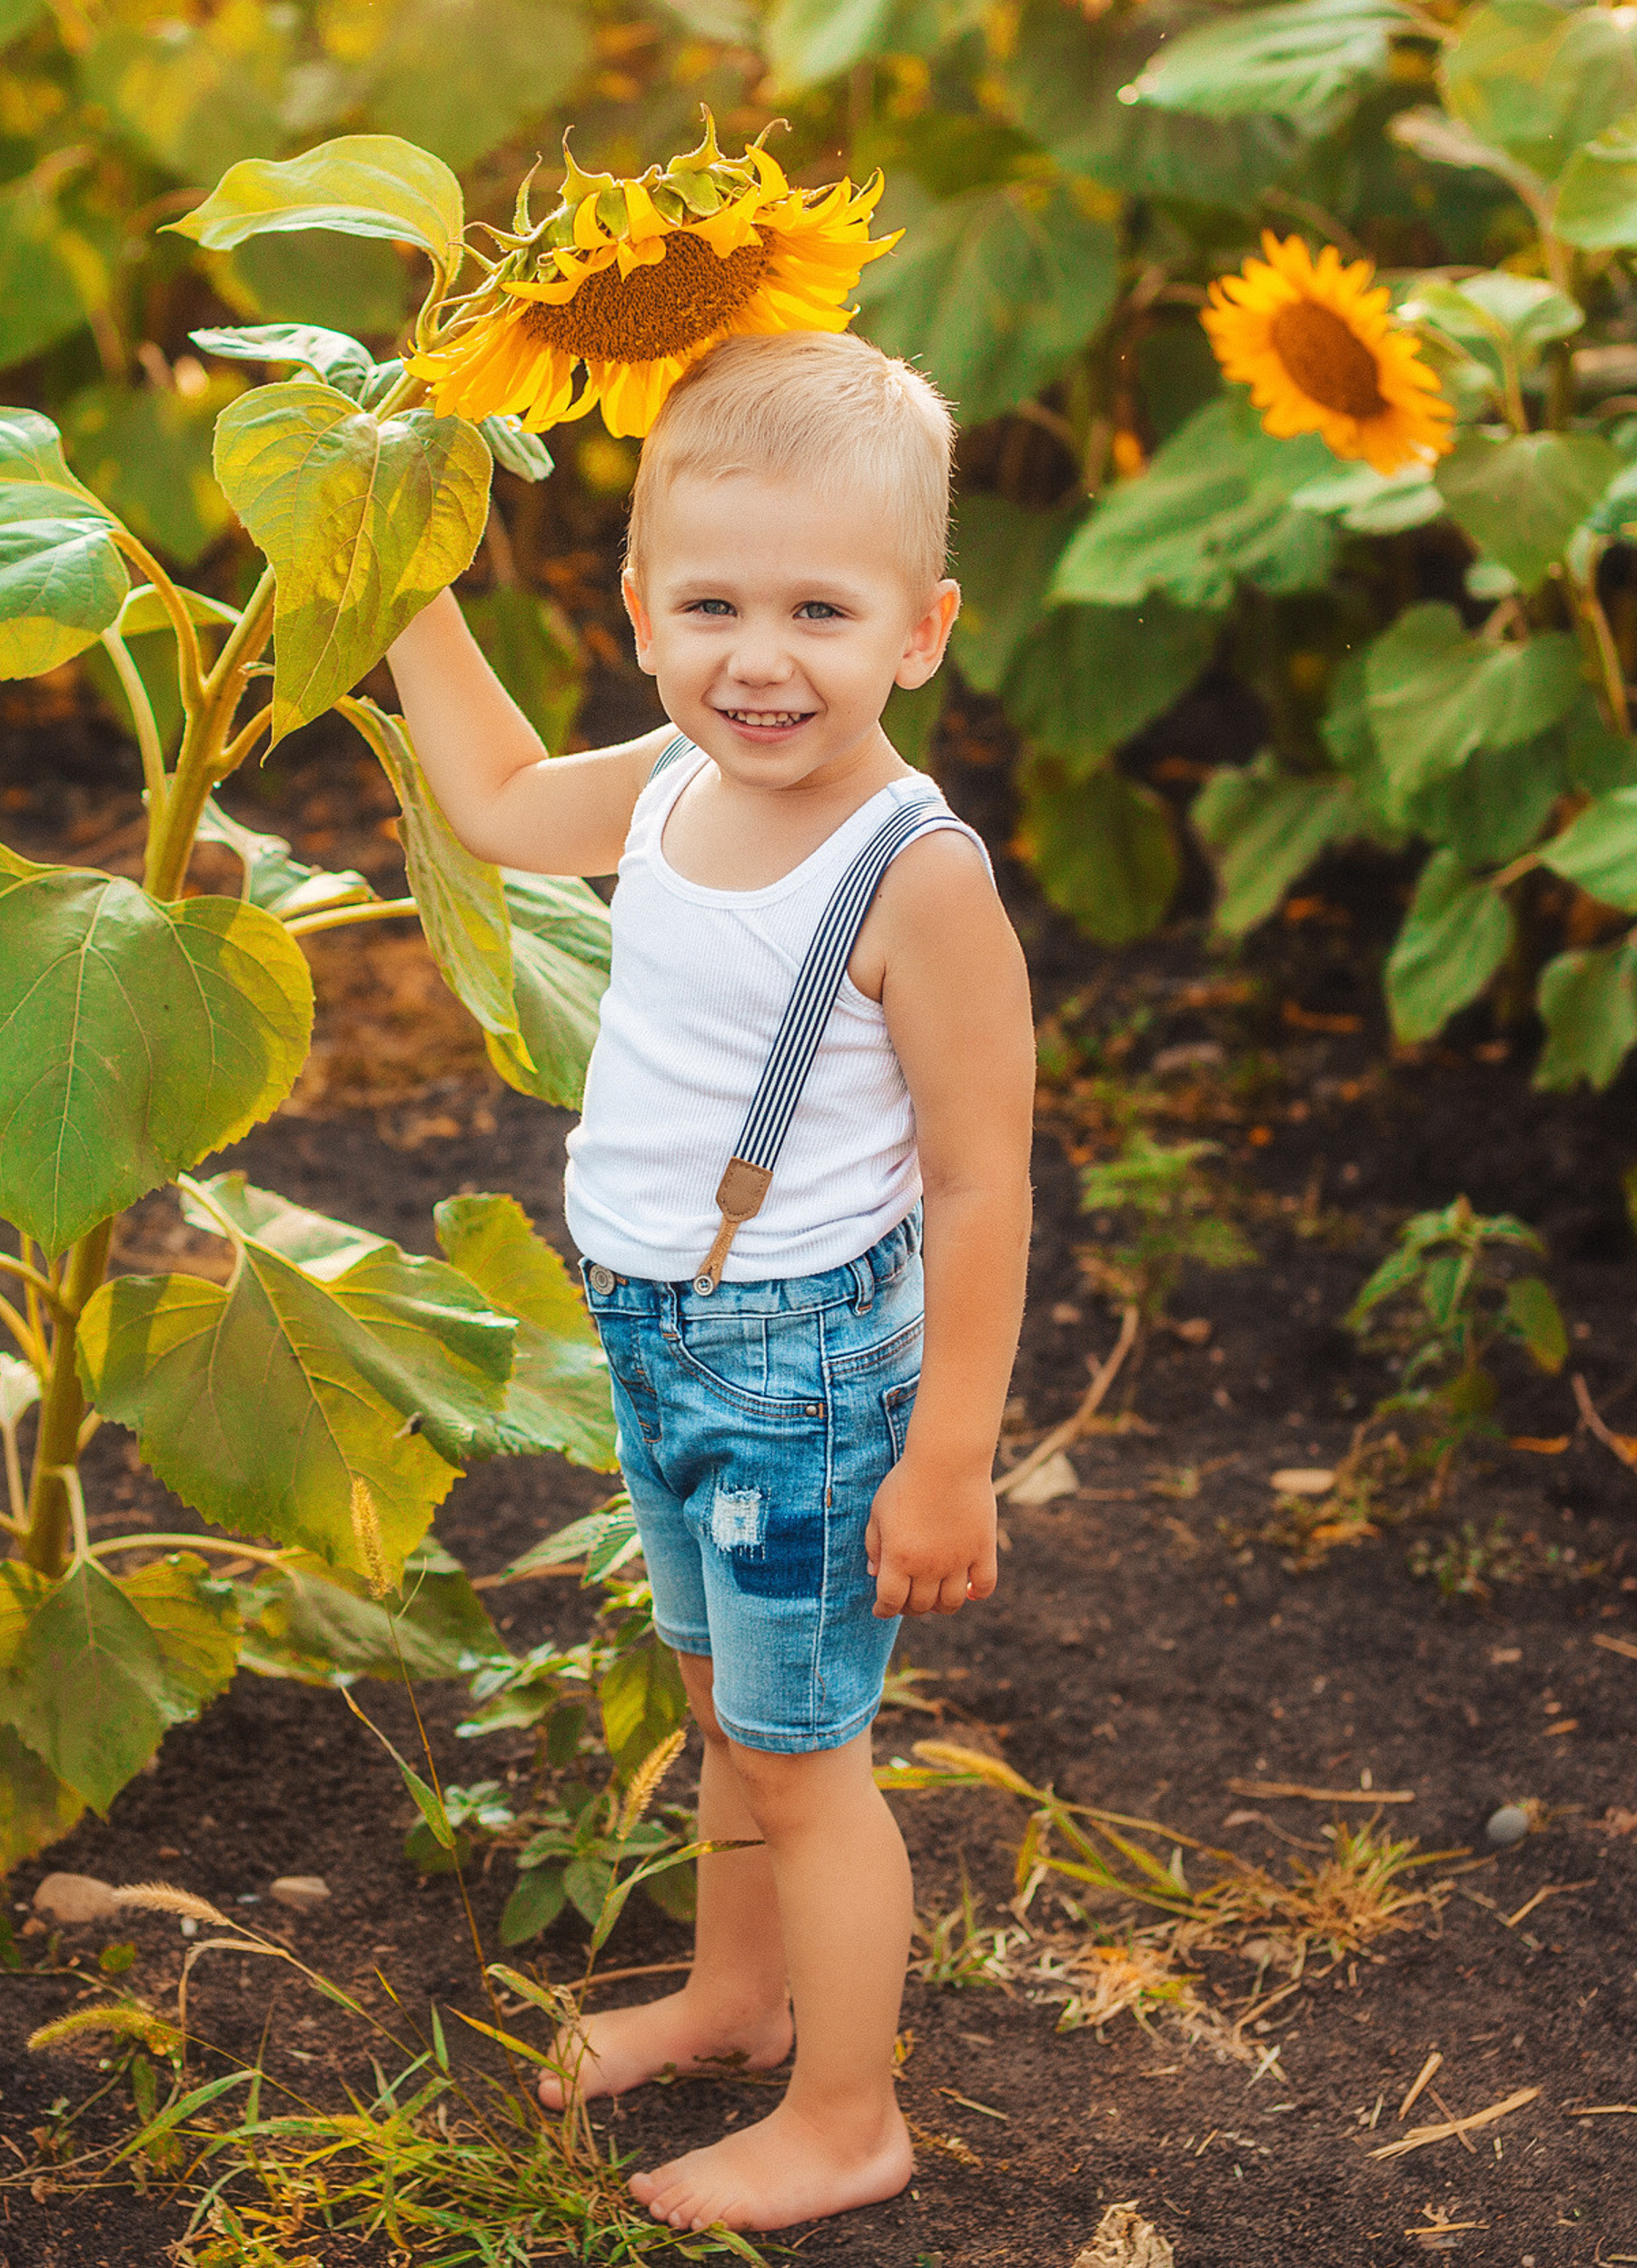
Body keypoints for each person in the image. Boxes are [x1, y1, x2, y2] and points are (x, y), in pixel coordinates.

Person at [384, 330, 1035, 2233]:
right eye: (712, 604)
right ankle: (737, 1997)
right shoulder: (672, 780)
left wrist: (947, 1454)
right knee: (717, 1700)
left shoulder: (913, 868)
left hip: (807, 1363)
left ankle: (847, 2110)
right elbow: (500, 805)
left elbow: (980, 1178)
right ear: (638, 609)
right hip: (660, 1333)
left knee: (805, 1750)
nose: (760, 658)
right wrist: (398, 575)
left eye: (818, 610)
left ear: (919, 628)